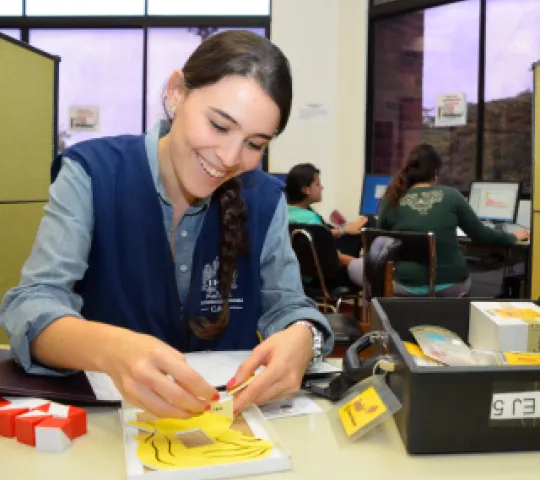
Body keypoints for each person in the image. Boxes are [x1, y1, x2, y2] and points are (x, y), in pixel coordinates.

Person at [0, 31, 334, 419]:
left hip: (227, 429)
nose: (229, 158)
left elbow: (290, 306)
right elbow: (32, 303)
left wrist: (303, 337)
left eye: (255, 144)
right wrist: (111, 350)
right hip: (105, 431)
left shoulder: (263, 199)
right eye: (220, 126)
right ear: (176, 92)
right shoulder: (92, 173)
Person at [377, 144, 529, 297]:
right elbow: (482, 235)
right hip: (449, 285)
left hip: (404, 285)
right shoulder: (452, 196)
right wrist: (513, 236)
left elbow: (379, 242)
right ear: (435, 171)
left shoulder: (392, 198)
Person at [285, 163, 366, 286]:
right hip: (324, 279)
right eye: (317, 184)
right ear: (305, 189)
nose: (321, 187)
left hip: (298, 276)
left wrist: (343, 230)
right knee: (368, 223)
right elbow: (332, 258)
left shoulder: (282, 214)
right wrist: (359, 265)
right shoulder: (311, 220)